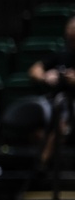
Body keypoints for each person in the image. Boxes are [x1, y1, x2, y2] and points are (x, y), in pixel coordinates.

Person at [28, 14, 75, 164]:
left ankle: (41, 164)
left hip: (71, 102)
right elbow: (34, 69)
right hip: (52, 99)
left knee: (60, 126)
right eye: (70, 27)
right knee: (31, 116)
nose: (71, 31)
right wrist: (45, 76)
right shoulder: (60, 54)